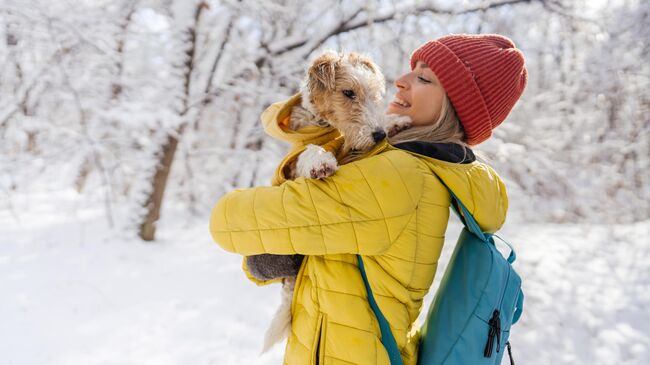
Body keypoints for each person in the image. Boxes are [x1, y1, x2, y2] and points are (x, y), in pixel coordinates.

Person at [209, 34, 527, 365]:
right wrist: (324, 100)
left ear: (453, 105)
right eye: (409, 70)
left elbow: (227, 222)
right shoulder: (395, 160)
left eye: (422, 77)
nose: (401, 82)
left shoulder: (399, 174)